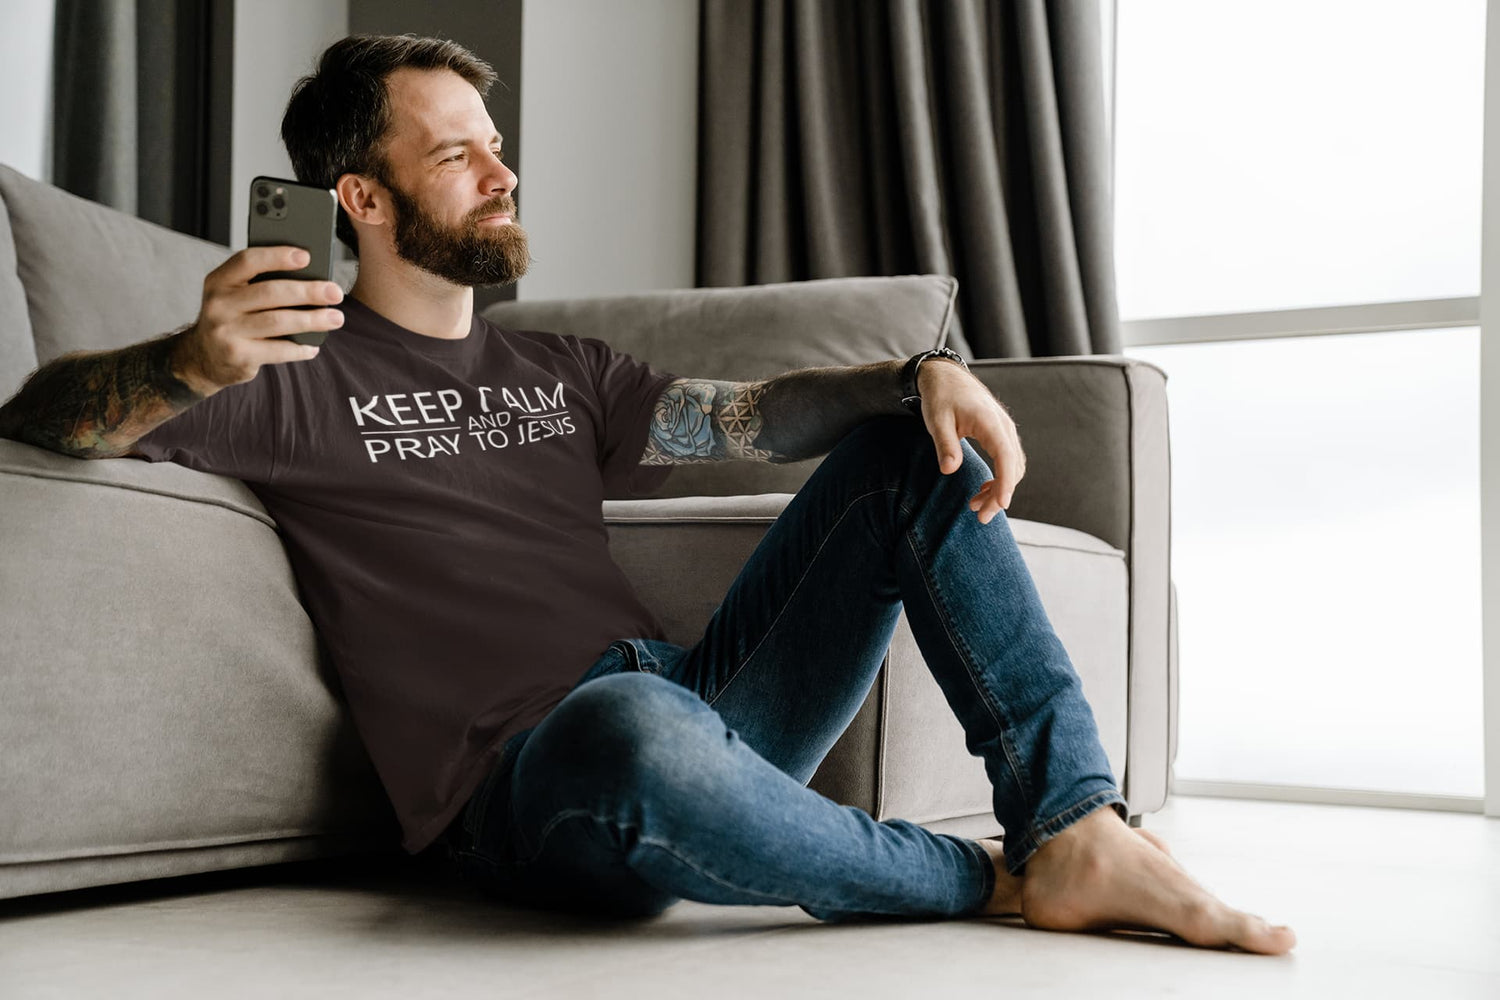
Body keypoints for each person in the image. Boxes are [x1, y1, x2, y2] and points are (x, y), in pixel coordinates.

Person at [0, 33, 1294, 955]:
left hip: (688, 695)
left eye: (496, 147)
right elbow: (41, 421)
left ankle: (1071, 823)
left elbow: (742, 417)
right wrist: (185, 359)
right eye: (458, 159)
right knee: (632, 733)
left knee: (905, 449)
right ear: (361, 199)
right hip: (527, 779)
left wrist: (917, 373)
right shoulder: (285, 375)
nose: (502, 176)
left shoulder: (558, 369)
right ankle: (988, 880)